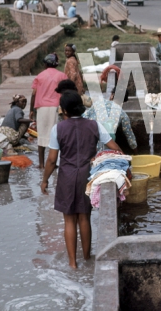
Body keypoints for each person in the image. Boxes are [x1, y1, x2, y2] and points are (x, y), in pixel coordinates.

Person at [41, 91, 122, 269]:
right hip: (88, 175)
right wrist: (122, 161)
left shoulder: (58, 129)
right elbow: (114, 147)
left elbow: (52, 160)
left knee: (69, 220)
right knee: (85, 217)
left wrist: (44, 180)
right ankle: (87, 258)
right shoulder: (94, 125)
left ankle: (72, 264)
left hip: (67, 176)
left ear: (64, 110)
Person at [30, 54, 68, 169]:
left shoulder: (40, 76)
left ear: (45, 64)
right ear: (56, 64)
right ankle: (55, 163)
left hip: (42, 108)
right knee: (55, 135)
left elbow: (33, 94)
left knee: (42, 135)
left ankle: (41, 164)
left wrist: (31, 110)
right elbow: (66, 92)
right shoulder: (62, 75)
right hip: (57, 107)